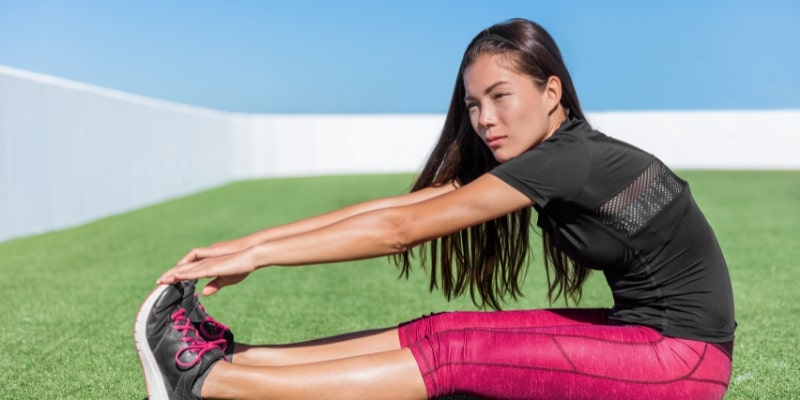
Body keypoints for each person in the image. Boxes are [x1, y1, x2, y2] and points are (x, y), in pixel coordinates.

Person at [134, 18, 736, 400]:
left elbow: (399, 231)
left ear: (551, 92)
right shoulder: (557, 154)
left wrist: (260, 257)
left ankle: (210, 382)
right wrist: (247, 246)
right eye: (474, 104)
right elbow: (403, 207)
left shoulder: (568, 160)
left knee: (456, 356)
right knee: (441, 331)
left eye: (500, 97)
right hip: (645, 338)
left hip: (682, 362)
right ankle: (235, 358)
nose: (485, 119)